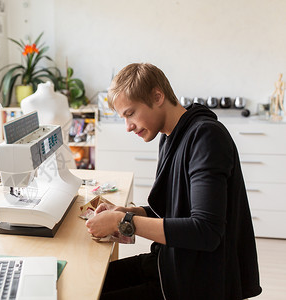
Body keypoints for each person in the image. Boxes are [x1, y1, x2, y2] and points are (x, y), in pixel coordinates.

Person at [85, 63, 262, 299]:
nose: (128, 127)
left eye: (130, 114)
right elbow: (177, 211)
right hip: (170, 263)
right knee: (88, 284)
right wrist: (130, 211)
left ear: (157, 96)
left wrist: (123, 221)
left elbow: (205, 231)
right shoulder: (170, 137)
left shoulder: (206, 137)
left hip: (195, 282)